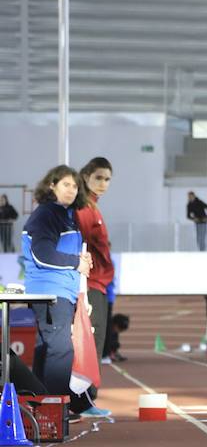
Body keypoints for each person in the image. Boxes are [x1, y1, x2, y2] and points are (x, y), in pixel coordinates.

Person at [22, 165, 92, 422]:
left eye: (75, 185)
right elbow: (42, 253)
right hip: (50, 292)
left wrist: (80, 264)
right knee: (60, 349)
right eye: (65, 184)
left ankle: (40, 407)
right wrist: (76, 262)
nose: (72, 190)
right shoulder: (47, 214)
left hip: (59, 291)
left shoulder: (64, 215)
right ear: (51, 186)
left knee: (47, 348)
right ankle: (54, 408)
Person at [70, 157, 115, 418]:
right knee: (90, 343)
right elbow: (81, 247)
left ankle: (84, 401)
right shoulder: (85, 209)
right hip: (90, 283)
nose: (103, 183)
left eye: (107, 179)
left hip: (99, 282)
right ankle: (84, 402)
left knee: (93, 342)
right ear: (85, 176)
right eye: (98, 177)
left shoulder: (92, 207)